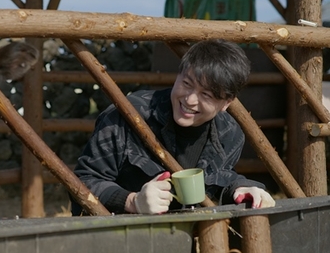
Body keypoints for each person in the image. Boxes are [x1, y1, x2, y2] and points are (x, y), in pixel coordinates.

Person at [72, 39, 276, 214]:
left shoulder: (230, 134)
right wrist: (133, 201)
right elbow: (83, 181)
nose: (190, 100)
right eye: (187, 83)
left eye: (206, 95)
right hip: (120, 245)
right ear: (178, 75)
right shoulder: (127, 115)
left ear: (226, 103)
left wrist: (241, 188)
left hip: (183, 246)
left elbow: (220, 177)